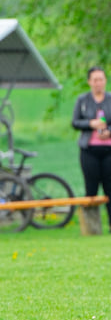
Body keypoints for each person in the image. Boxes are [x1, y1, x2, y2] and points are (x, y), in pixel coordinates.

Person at [72, 66, 111, 231]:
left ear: (105, 81)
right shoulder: (82, 100)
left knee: (110, 187)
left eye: (101, 79)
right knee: (91, 188)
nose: (98, 83)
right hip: (89, 149)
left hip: (108, 149)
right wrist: (90, 124)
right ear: (89, 82)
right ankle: (92, 228)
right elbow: (75, 122)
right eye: (95, 80)